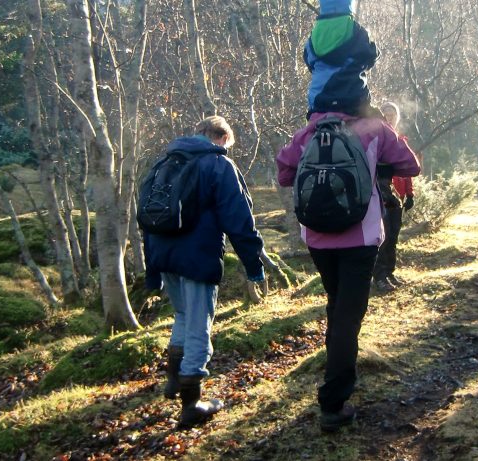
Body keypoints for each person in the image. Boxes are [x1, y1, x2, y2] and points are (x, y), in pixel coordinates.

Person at [277, 113, 420, 432]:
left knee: (336, 304)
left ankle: (335, 376)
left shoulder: (308, 131)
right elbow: (411, 166)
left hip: (316, 236)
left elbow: (285, 174)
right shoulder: (373, 128)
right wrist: (375, 167)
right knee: (348, 316)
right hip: (361, 235)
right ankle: (333, 401)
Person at [143, 116, 265, 429]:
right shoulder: (218, 165)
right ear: (223, 138)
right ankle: (191, 404)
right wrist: (254, 265)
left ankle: (173, 381)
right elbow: (239, 220)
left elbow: (146, 215)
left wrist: (152, 270)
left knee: (183, 316)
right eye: (228, 146)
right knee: (199, 325)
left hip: (164, 255)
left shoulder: (165, 162)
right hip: (197, 257)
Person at [304, 0, 379, 119]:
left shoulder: (314, 35)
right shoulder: (356, 29)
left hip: (319, 104)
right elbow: (371, 56)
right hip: (353, 101)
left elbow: (309, 61)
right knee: (388, 134)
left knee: (301, 137)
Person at [373, 102, 415, 292]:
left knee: (394, 234)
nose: (389, 117)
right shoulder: (374, 139)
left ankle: (389, 272)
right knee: (385, 234)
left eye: (392, 114)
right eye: (385, 114)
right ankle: (379, 277)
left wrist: (409, 193)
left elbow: (407, 170)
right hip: (378, 193)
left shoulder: (399, 140)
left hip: (393, 193)